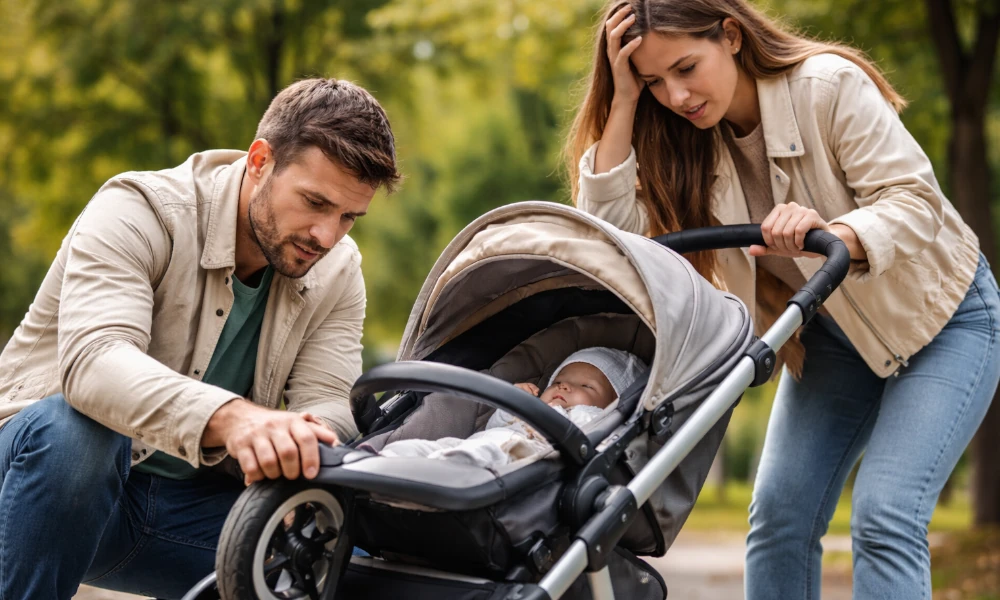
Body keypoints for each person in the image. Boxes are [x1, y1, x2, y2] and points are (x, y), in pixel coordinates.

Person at [565, 1, 1000, 598]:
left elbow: (914, 201)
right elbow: (614, 248)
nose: (676, 95)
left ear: (732, 35)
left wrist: (836, 233)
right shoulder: (685, 144)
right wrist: (622, 104)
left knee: (885, 513)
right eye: (653, 81)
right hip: (833, 338)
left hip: (945, 321)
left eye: (687, 67)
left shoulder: (827, 87)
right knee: (779, 519)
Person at [0, 78, 400, 599]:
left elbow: (329, 402)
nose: (326, 236)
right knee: (81, 436)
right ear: (260, 162)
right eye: (314, 202)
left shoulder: (339, 271)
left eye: (348, 216)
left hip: (179, 509)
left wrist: (300, 439)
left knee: (358, 564)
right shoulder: (138, 209)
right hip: (35, 481)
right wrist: (234, 419)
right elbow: (95, 362)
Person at [378, 347, 646, 468]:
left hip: (524, 455)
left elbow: (594, 436)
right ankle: (388, 460)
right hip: (480, 441)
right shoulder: (531, 408)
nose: (564, 387)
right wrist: (514, 405)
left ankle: (452, 469)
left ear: (611, 405)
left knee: (485, 452)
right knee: (438, 445)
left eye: (586, 387)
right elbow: (495, 426)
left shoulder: (596, 420)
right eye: (560, 381)